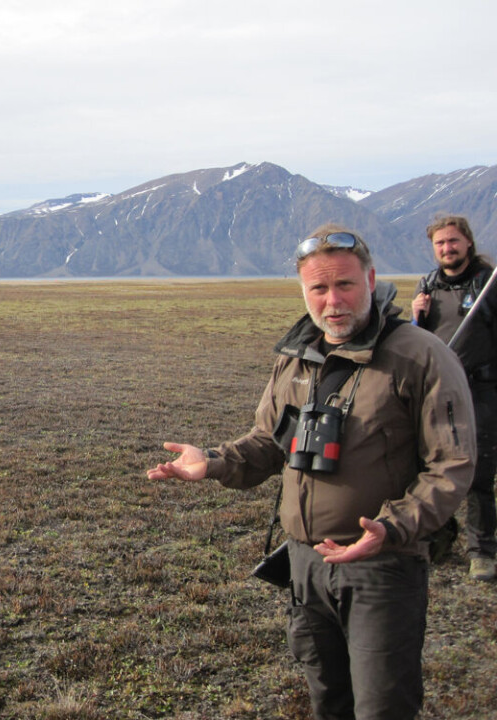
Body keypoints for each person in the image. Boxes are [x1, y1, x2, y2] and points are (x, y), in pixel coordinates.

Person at [147, 224, 475, 720]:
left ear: (370, 278)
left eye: (344, 284)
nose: (332, 301)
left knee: (383, 706)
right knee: (328, 701)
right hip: (305, 566)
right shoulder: (297, 356)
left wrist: (391, 528)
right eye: (318, 288)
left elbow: (450, 465)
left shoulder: (420, 356)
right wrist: (211, 463)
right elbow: (267, 443)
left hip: (380, 567)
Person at [412, 214, 497, 581]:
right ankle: (437, 538)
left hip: (481, 389)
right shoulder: (428, 285)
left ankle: (483, 551)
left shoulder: (489, 284)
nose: (447, 249)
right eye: (440, 243)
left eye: (453, 241)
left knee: (478, 473)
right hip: (438, 390)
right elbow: (417, 340)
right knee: (429, 464)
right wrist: (417, 318)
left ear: (467, 242)